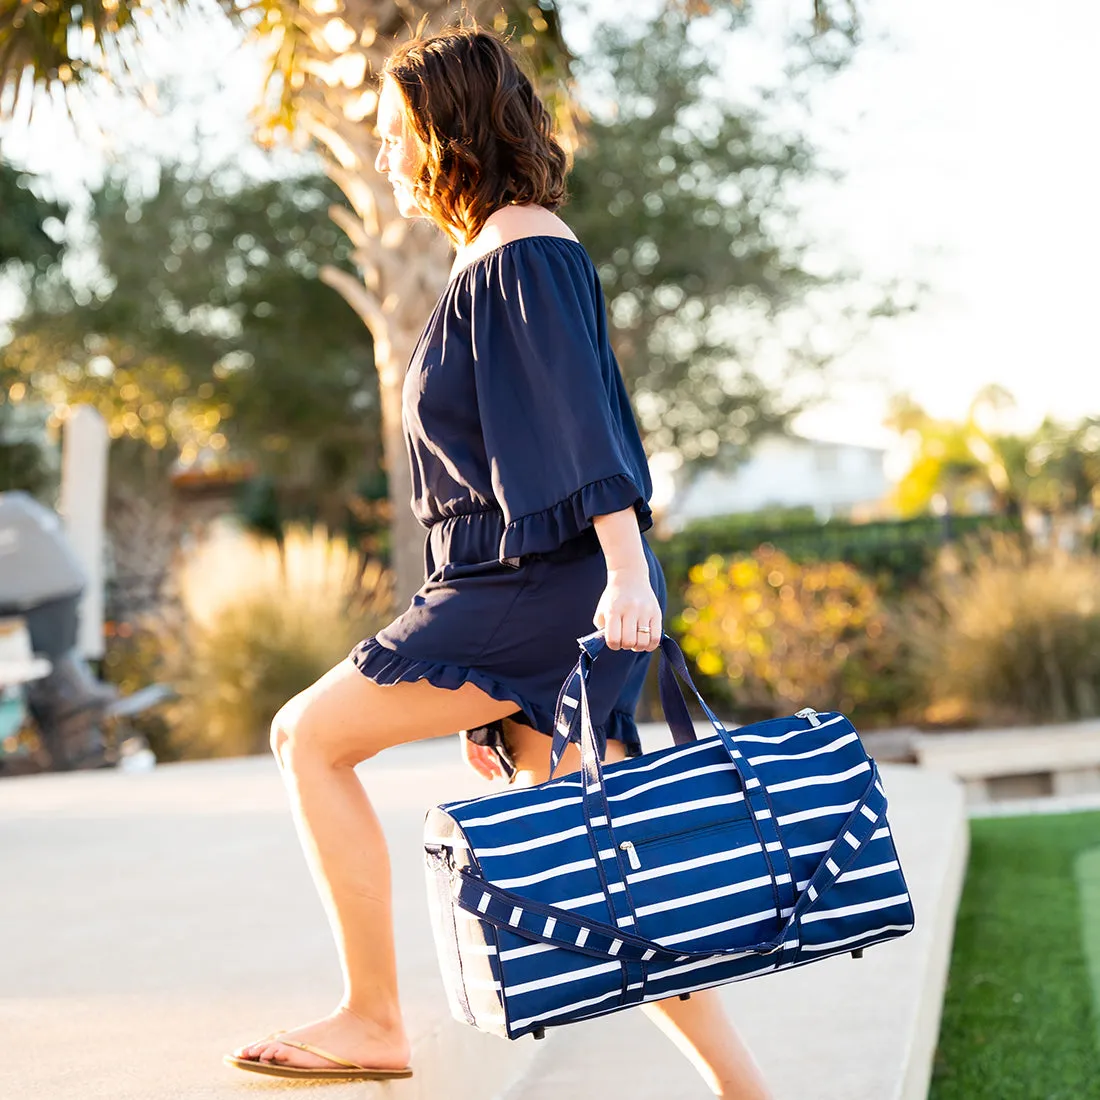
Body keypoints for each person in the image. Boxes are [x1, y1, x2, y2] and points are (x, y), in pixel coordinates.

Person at [225, 23, 772, 1100]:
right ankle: (745, 1089)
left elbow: (581, 422)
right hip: (528, 586)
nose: (386, 157)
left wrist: (624, 571)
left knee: (309, 734)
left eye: (397, 136)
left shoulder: (520, 244)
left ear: (450, 132)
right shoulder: (502, 248)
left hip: (540, 587)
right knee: (600, 872)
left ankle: (374, 1016)